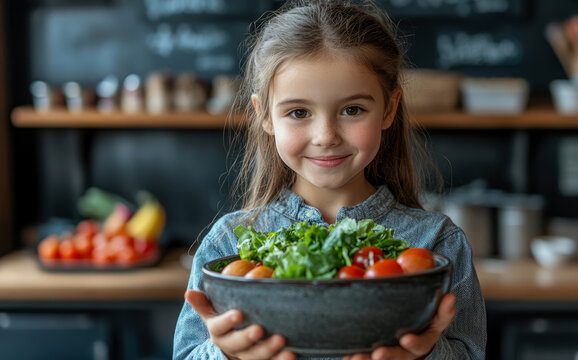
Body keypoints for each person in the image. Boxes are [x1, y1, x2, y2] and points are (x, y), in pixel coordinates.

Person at [173, 1, 486, 359]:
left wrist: (426, 355)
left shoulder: (438, 243)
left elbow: (469, 352)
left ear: (388, 108)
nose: (325, 135)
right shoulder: (226, 244)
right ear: (265, 116)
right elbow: (187, 353)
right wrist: (223, 353)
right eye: (298, 112)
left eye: (352, 110)